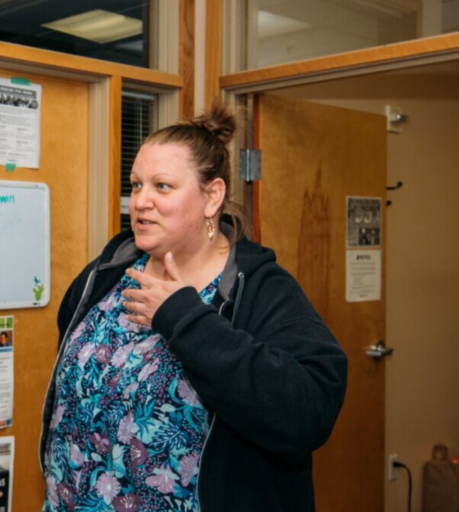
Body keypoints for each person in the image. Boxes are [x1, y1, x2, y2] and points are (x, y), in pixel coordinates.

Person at [39, 105, 347, 512]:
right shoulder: (107, 273)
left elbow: (308, 414)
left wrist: (183, 317)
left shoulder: (260, 289)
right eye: (136, 185)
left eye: (162, 186)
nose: (140, 202)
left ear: (212, 196)